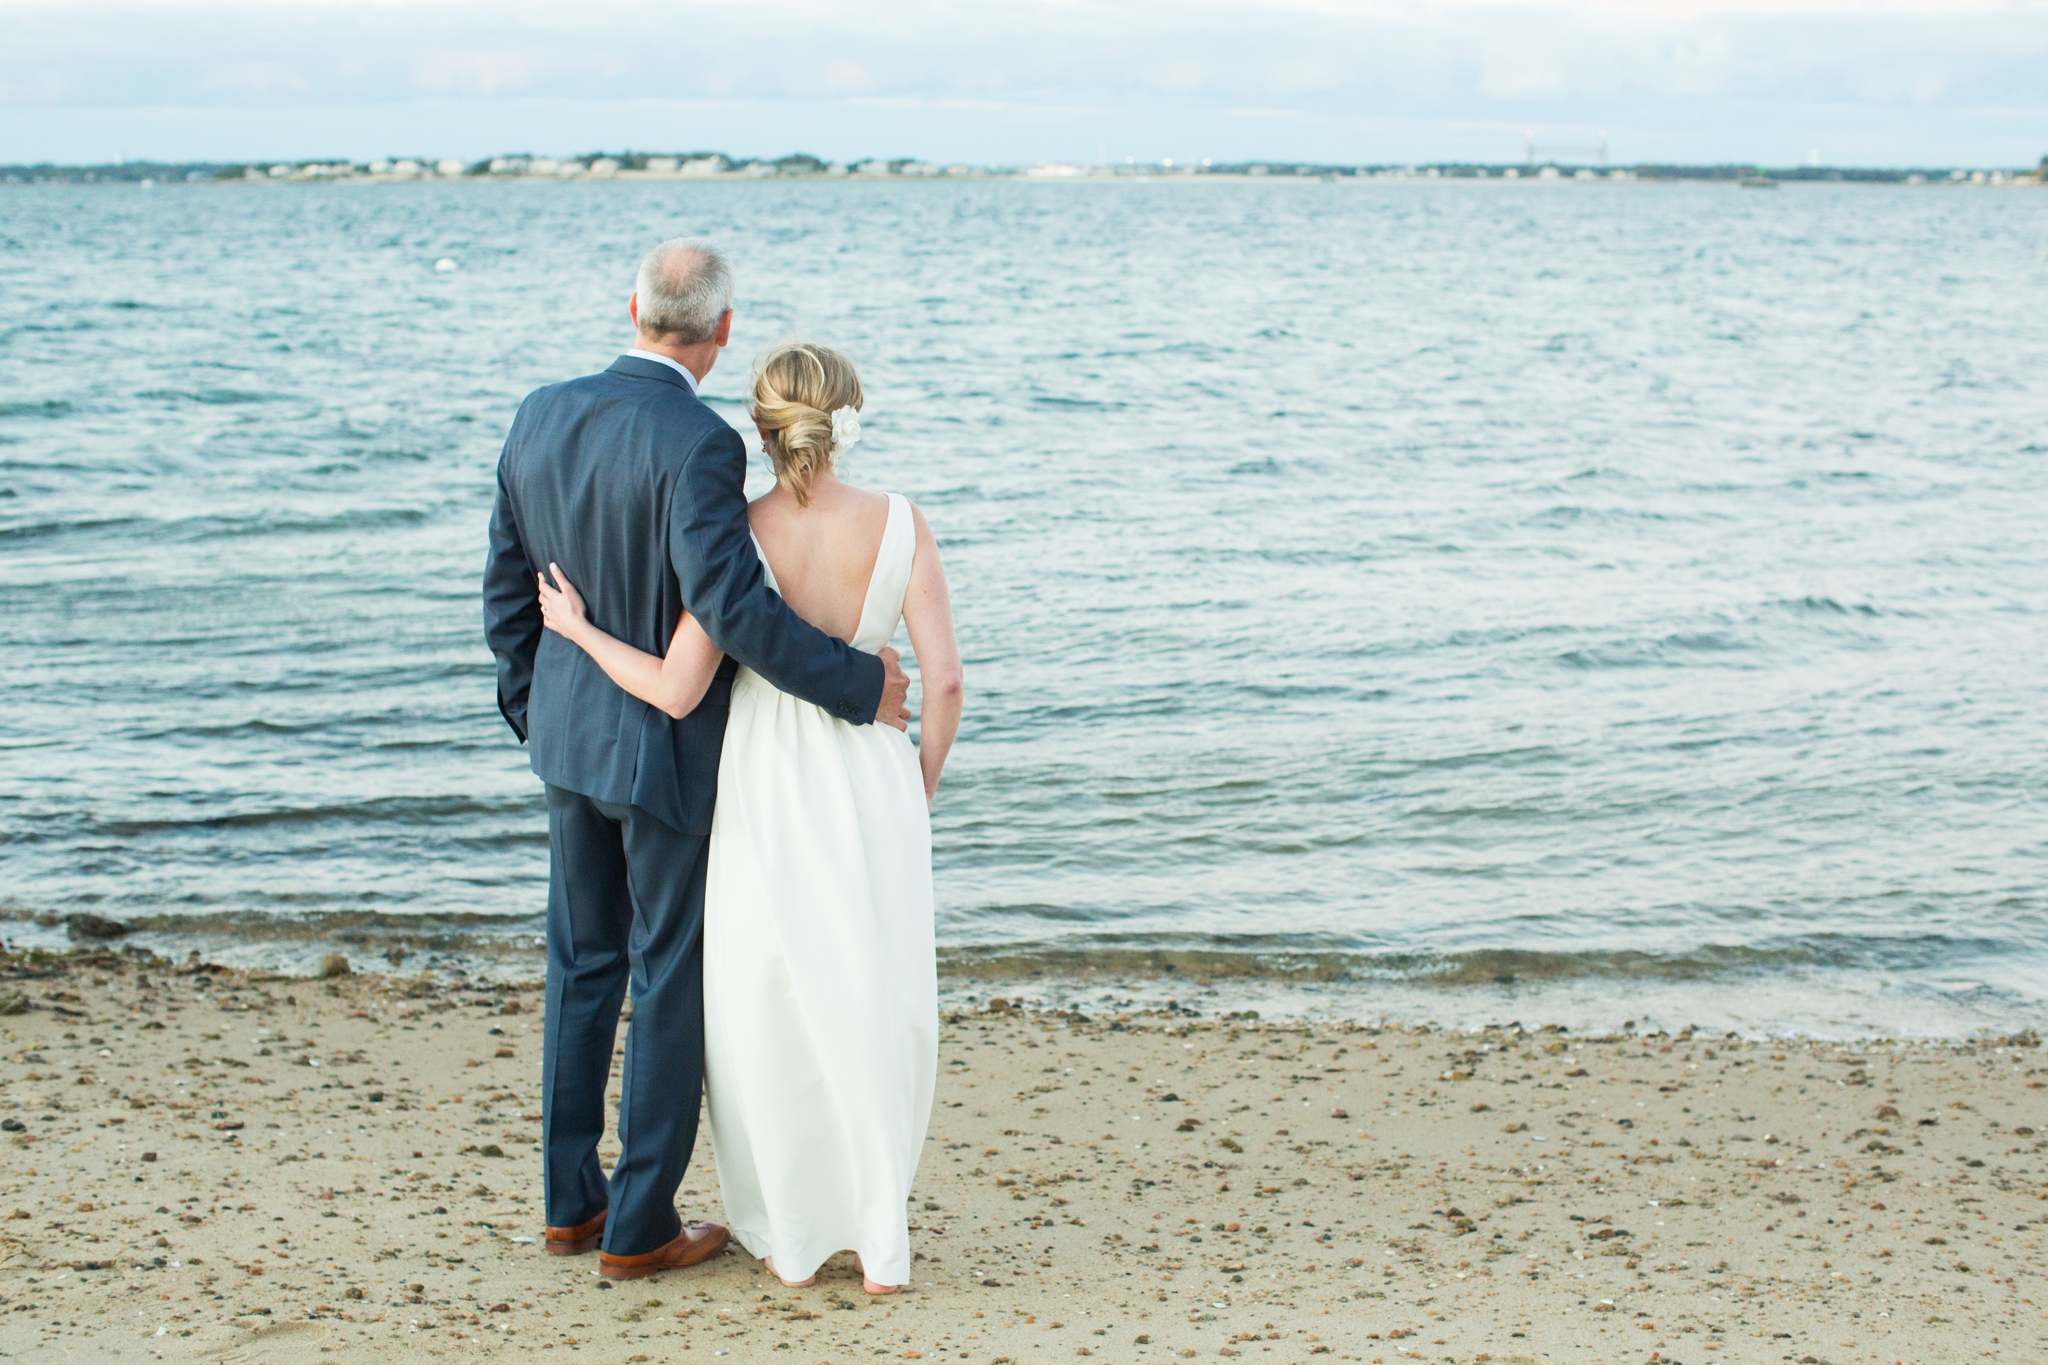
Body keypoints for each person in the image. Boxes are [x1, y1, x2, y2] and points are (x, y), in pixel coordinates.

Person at [482, 241, 913, 1280]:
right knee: (664, 976)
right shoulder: (700, 443)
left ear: (630, 306)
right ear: (722, 332)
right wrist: (859, 688)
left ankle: (567, 1206)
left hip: (570, 744)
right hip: (665, 752)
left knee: (581, 969)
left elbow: (504, 592)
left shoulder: (538, 412)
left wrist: (536, 714)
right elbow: (731, 608)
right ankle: (638, 1229)